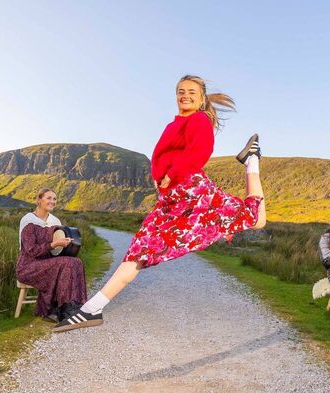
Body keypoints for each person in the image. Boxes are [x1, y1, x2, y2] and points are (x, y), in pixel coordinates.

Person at [54, 74, 266, 332]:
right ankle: (91, 309)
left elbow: (200, 152)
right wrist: (159, 179)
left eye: (191, 92)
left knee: (255, 219)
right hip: (171, 199)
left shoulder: (200, 120)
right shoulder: (174, 124)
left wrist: (171, 175)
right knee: (138, 251)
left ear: (201, 99)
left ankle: (252, 160)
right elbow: (162, 157)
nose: (185, 95)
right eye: (180, 91)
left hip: (192, 193)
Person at [17, 188, 88, 323]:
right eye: (49, 198)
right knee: (66, 263)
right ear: (39, 200)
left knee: (76, 261)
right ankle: (60, 311)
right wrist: (54, 244)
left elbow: (57, 251)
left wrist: (66, 245)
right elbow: (32, 250)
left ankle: (71, 307)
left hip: (48, 263)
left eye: (54, 199)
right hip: (28, 266)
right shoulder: (28, 220)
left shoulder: (55, 221)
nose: (52, 201)